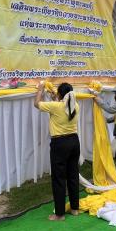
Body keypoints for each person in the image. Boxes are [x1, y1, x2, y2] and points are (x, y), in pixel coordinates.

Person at [34, 82, 80, 221]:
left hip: (60, 143)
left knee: (59, 178)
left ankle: (59, 214)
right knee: (73, 175)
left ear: (61, 94)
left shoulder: (57, 106)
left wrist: (40, 90)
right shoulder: (75, 106)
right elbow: (62, 107)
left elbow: (37, 104)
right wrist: (56, 97)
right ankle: (74, 209)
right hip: (74, 141)